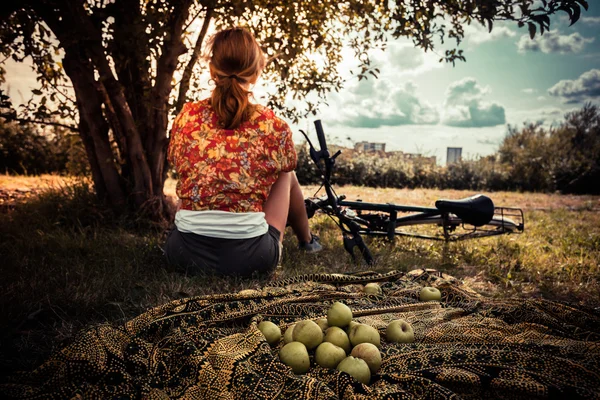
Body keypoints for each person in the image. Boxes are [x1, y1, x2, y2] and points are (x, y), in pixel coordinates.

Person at [164, 27, 322, 278]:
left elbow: (181, 166)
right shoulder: (273, 125)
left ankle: (195, 230)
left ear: (213, 71)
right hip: (252, 259)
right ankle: (308, 241)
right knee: (285, 173)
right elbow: (285, 166)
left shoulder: (187, 117)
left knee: (194, 167)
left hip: (183, 255)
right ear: (256, 74)